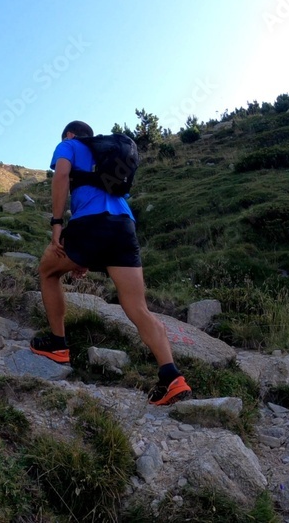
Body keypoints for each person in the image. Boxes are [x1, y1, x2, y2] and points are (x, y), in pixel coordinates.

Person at [29, 120, 192, 406]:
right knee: (138, 308)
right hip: (123, 226)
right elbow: (107, 200)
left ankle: (58, 345)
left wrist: (56, 223)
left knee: (47, 272)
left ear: (69, 134)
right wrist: (84, 258)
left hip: (90, 223)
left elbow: (62, 176)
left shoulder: (69, 145)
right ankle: (172, 378)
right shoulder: (107, 156)